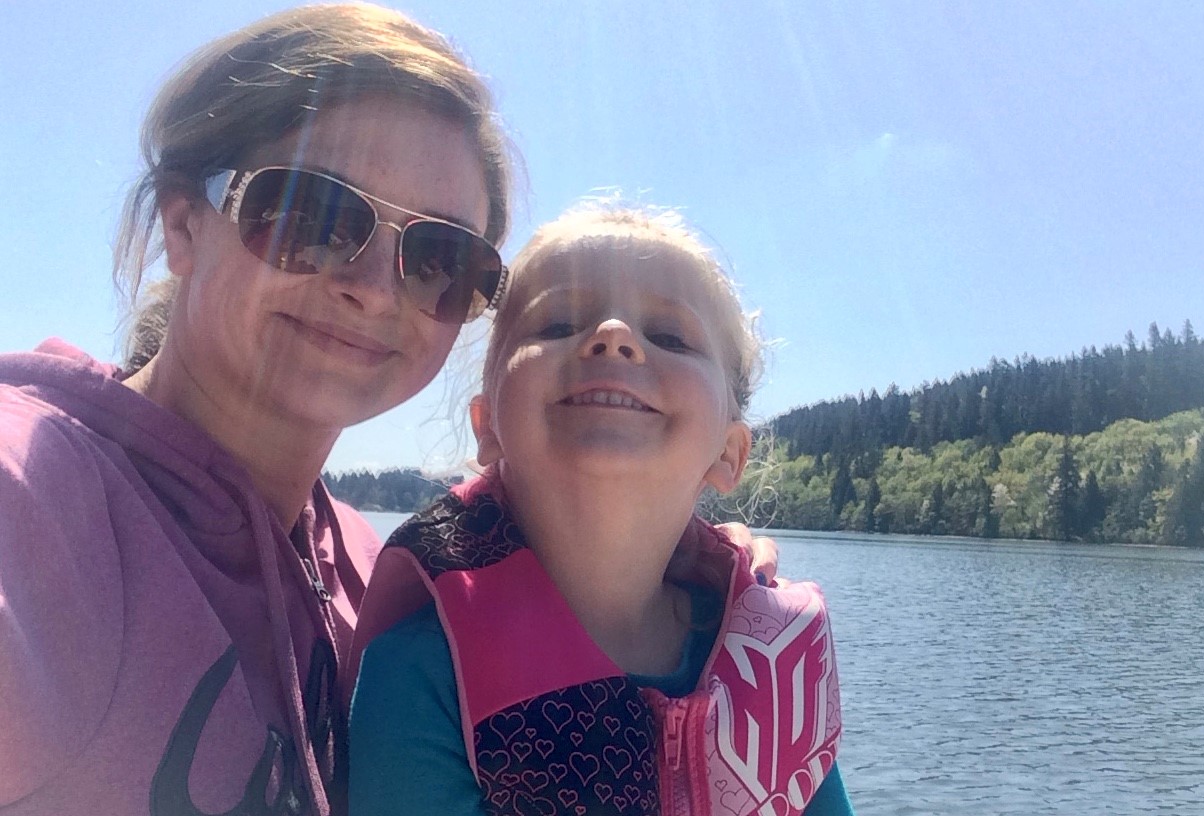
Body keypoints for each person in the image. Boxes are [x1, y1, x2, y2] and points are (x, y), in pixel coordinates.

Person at [0, 5, 777, 815]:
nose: (372, 288)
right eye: (313, 217)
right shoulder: (39, 501)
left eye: (438, 257)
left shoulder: (379, 575)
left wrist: (698, 559)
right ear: (184, 221)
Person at [349, 204, 852, 815]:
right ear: (488, 427)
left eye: (669, 337)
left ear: (727, 452)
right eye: (557, 323)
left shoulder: (775, 671)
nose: (613, 335)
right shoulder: (419, 676)